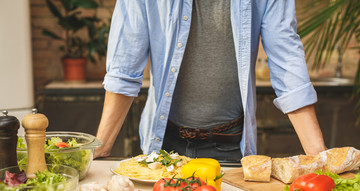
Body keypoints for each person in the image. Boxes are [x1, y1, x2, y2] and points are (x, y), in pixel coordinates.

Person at [94, 0, 327, 164]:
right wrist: (100, 150)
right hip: (163, 144)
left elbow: (287, 59)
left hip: (231, 145)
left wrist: (319, 156)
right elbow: (124, 66)